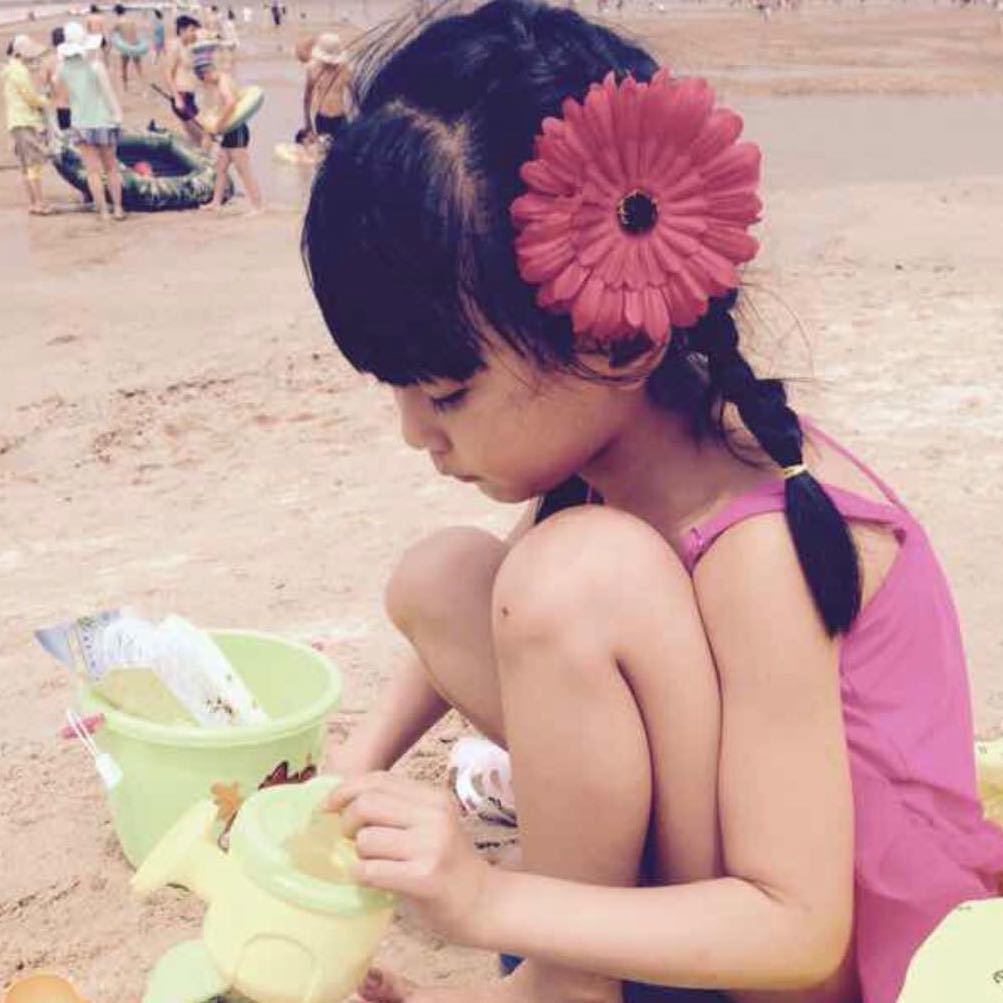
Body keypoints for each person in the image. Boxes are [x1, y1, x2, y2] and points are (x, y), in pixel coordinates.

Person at [302, 3, 1003, 1003]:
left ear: (616, 338)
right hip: (727, 871)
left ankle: (562, 983)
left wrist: (487, 900)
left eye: (447, 393)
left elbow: (800, 931)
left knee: (569, 578)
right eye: (399, 392)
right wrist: (355, 764)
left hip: (817, 957)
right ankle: (571, 964)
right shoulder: (608, 445)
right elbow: (482, 624)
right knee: (444, 579)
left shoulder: (760, 542)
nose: (416, 432)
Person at [58, 20, 125, 221]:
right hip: (104, 120)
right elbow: (108, 95)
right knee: (111, 167)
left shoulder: (63, 69)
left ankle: (103, 211)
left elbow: (64, 98)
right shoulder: (96, 66)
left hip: (81, 122)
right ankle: (118, 209)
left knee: (92, 171)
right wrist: (118, 117)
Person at [192, 46, 263, 214]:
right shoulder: (223, 80)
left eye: (203, 79)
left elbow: (230, 103)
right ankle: (216, 203)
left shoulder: (223, 82)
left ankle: (257, 206)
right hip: (230, 131)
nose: (205, 83)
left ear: (206, 73)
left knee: (243, 169)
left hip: (237, 130)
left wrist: (218, 126)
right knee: (221, 168)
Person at [3, 33, 50, 215]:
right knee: (34, 164)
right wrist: (45, 100)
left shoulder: (9, 70)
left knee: (26, 166)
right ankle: (39, 203)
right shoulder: (19, 72)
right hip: (25, 121)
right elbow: (31, 98)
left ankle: (34, 202)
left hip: (15, 121)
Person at [302, 32, 350, 141]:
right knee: (324, 149)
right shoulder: (313, 69)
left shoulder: (345, 70)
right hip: (322, 118)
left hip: (340, 117)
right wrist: (308, 122)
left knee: (342, 149)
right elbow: (307, 98)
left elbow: (355, 96)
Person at [164, 13, 202, 145]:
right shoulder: (175, 46)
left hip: (190, 97)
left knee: (196, 137)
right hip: (182, 97)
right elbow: (167, 73)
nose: (194, 34)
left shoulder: (189, 47)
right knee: (203, 135)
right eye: (192, 30)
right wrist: (177, 98)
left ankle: (191, 154)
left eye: (195, 30)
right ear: (182, 30)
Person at [43, 27, 72, 133]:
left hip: (61, 105)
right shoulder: (75, 57)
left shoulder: (49, 61)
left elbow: (44, 85)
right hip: (79, 104)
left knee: (66, 136)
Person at [111, 3, 144, 91]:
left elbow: (112, 34)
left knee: (124, 67)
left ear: (116, 12)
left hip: (126, 47)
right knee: (138, 66)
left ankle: (125, 86)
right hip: (135, 45)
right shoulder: (131, 21)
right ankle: (143, 85)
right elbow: (134, 33)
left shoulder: (117, 23)